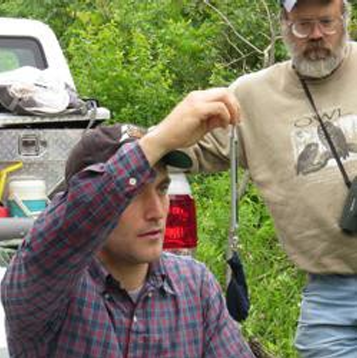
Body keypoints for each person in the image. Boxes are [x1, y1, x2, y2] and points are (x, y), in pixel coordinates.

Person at [1, 88, 255, 358]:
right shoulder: (47, 288)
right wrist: (160, 140)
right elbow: (60, 237)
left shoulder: (194, 286)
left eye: (161, 189)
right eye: (133, 193)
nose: (157, 212)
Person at [186, 0, 357, 357]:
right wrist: (136, 142)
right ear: (284, 25)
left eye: (326, 22)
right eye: (303, 24)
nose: (316, 35)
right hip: (332, 296)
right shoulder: (253, 95)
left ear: (345, 20)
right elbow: (191, 147)